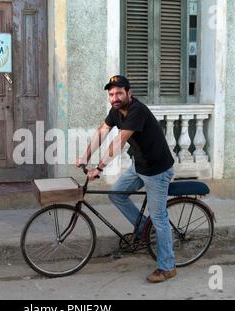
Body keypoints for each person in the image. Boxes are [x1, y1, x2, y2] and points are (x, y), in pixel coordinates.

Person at [75, 75, 176, 283]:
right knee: (117, 194)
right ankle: (145, 232)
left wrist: (99, 168)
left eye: (119, 93)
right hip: (139, 166)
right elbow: (102, 132)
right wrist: (85, 156)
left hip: (157, 170)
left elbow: (119, 141)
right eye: (111, 94)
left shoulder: (136, 111)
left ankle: (167, 267)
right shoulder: (115, 111)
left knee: (159, 218)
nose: (115, 97)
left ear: (129, 93)